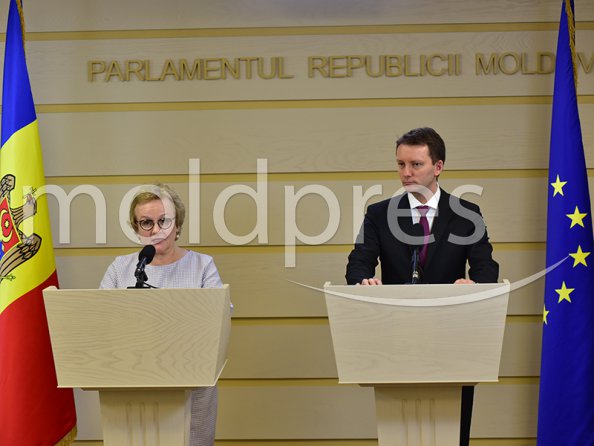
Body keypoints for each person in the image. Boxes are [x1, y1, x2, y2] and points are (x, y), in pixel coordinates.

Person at [345, 127, 499, 446]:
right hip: (397, 341)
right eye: (401, 164)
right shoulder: (379, 214)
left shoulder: (467, 215)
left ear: (438, 166)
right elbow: (358, 263)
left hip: (453, 340)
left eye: (416, 164)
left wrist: (473, 285)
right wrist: (364, 281)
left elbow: (487, 268)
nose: (406, 173)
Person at [100, 183, 223, 446]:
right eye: (146, 223)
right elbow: (101, 324)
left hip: (191, 395)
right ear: (136, 228)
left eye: (164, 221)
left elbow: (217, 321)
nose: (156, 230)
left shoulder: (203, 266)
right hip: (130, 394)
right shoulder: (120, 269)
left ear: (177, 225)